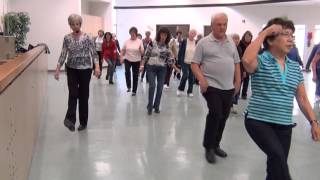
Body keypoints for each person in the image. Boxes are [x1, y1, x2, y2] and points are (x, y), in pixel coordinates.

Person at [242, 17, 320, 180]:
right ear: (271, 40)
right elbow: (247, 61)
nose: (291, 39)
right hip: (258, 121)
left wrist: (314, 122)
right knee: (278, 158)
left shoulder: (294, 67)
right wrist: (264, 33)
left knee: (276, 164)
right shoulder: (261, 60)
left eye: (292, 35)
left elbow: (303, 99)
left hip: (284, 124)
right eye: (285, 34)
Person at [191, 13, 241, 164]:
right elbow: (194, 64)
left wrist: (238, 81)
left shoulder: (231, 42)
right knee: (215, 113)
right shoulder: (203, 43)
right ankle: (208, 147)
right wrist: (202, 80)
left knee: (224, 116)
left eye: (225, 24)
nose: (222, 27)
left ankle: (216, 144)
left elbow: (237, 62)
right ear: (212, 25)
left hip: (228, 87)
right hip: (211, 85)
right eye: (219, 24)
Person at [54, 14, 100, 132]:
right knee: (73, 94)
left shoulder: (87, 37)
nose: (75, 26)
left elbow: (94, 53)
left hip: (85, 70)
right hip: (71, 69)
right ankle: (70, 120)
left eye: (77, 24)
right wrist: (58, 68)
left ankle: (83, 122)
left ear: (80, 24)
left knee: (84, 96)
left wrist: (97, 67)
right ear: (70, 25)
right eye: (73, 24)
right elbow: (63, 53)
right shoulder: (67, 38)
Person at [141, 27, 179, 115]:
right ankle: (150, 106)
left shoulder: (167, 46)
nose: (163, 36)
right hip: (151, 68)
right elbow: (146, 55)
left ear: (167, 36)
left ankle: (156, 106)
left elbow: (170, 60)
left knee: (160, 88)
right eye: (162, 34)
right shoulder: (152, 43)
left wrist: (176, 68)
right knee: (152, 86)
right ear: (159, 35)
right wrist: (142, 65)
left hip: (162, 69)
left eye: (165, 35)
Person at [120, 27, 144, 96]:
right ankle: (129, 86)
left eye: (134, 32)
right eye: (131, 32)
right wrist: (121, 57)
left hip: (136, 60)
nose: (133, 33)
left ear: (136, 33)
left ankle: (134, 91)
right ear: (130, 33)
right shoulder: (127, 41)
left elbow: (142, 53)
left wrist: (140, 50)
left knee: (135, 75)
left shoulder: (139, 41)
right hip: (127, 59)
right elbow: (123, 50)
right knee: (127, 72)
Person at [177, 29, 197, 97]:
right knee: (185, 75)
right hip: (184, 62)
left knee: (192, 77)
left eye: (194, 33)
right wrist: (179, 62)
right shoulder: (185, 41)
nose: (192, 34)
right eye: (191, 33)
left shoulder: (196, 42)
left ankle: (190, 92)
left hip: (193, 63)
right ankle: (180, 89)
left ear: (195, 35)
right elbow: (180, 51)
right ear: (189, 33)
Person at [231, 33, 243, 114]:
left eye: (238, 38)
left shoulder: (239, 49)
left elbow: (241, 62)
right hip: (230, 72)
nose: (237, 40)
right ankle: (229, 106)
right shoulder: (229, 49)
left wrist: (243, 71)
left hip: (238, 72)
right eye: (235, 38)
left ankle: (232, 105)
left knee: (236, 89)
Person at [239, 30, 253, 99]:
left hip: (248, 65)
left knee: (246, 80)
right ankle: (236, 94)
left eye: (249, 37)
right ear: (244, 36)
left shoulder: (251, 45)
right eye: (247, 36)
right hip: (241, 65)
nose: (248, 38)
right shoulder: (240, 44)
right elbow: (240, 56)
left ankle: (244, 94)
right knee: (240, 80)